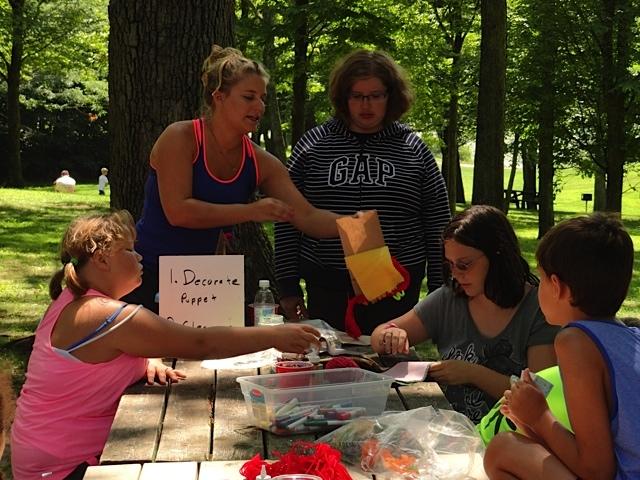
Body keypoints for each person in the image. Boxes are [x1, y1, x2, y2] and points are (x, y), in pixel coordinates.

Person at [10, 210, 320, 480]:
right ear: (102, 259)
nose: (140, 257)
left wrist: (147, 359)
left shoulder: (74, 302)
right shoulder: (101, 313)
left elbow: (97, 358)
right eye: (130, 251)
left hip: (46, 456)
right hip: (63, 469)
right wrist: (275, 335)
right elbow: (200, 343)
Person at [124, 45, 339, 313]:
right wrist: (250, 211)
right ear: (219, 97)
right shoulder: (180, 137)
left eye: (262, 98)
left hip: (200, 282)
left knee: (202, 355)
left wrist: (357, 225)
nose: (259, 106)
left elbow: (306, 216)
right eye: (249, 97)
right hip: (145, 272)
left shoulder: (261, 162)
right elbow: (178, 212)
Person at [274, 49, 451, 335]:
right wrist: (288, 287)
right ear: (343, 98)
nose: (366, 105)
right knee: (327, 365)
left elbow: (437, 222)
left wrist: (439, 289)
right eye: (357, 96)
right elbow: (287, 219)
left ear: (390, 96)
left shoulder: (414, 150)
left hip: (396, 288)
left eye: (375, 95)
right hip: (326, 284)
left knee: (391, 367)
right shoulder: (313, 146)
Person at [370, 205, 559, 423]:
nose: (456, 274)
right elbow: (377, 337)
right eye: (450, 265)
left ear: (498, 255)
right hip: (450, 432)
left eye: (464, 264)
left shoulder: (538, 309)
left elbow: (541, 396)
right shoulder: (449, 299)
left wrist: (473, 374)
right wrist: (391, 335)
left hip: (511, 440)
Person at [484, 213, 639, 479]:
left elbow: (597, 471)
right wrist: (529, 422)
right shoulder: (631, 337)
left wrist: (540, 414)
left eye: (540, 278)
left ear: (557, 286)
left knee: (503, 448)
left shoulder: (575, 341)